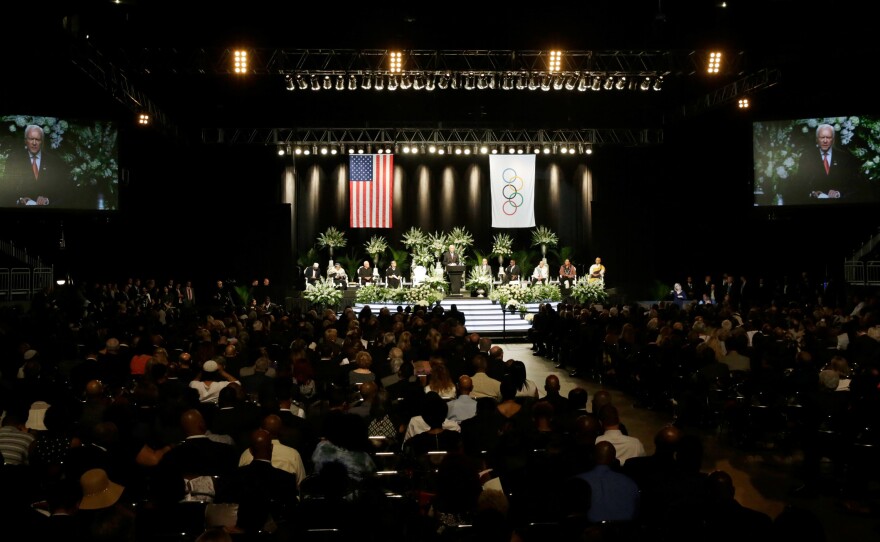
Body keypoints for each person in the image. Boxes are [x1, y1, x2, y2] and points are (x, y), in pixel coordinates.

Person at [784, 123, 866, 204]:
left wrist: (838, 193)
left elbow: (853, 184)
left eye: (828, 137)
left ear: (833, 140)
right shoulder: (807, 157)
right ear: (817, 139)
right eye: (822, 137)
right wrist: (811, 192)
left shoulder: (844, 157)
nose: (825, 141)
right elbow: (800, 182)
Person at [4, 124, 72, 207]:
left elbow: (63, 191)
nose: (34, 143)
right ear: (25, 140)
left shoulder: (54, 161)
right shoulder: (14, 160)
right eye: (31, 139)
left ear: (42, 142)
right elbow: (6, 190)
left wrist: (47, 200)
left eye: (38, 139)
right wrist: (19, 200)